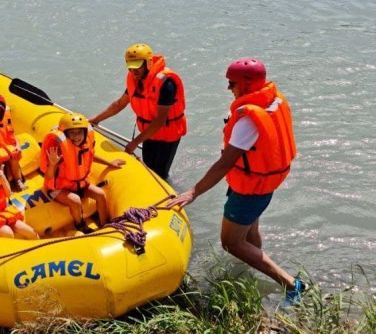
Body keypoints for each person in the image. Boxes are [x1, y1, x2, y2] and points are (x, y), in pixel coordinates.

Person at [164, 58, 306, 305]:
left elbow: (224, 164)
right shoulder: (272, 101)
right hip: (264, 183)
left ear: (248, 85)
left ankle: (292, 284)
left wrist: (193, 192)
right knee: (250, 233)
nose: (229, 88)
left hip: (249, 189)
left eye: (232, 83)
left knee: (231, 243)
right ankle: (248, 272)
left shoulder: (249, 119)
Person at [89, 43, 186, 181]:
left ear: (148, 63)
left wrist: (135, 142)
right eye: (130, 65)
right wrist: (96, 119)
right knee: (147, 167)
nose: (134, 70)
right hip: (148, 133)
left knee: (160, 173)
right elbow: (120, 103)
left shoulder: (166, 84)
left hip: (168, 134)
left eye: (138, 64)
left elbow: (159, 121)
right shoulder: (135, 80)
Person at [40, 112, 125, 233]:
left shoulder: (84, 145)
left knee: (100, 194)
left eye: (79, 132)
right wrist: (53, 164)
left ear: (85, 133)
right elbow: (49, 177)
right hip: (57, 188)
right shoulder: (58, 150)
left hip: (79, 184)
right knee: (75, 200)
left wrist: (109, 163)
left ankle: (104, 224)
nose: (76, 137)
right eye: (72, 133)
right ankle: (79, 224)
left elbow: (90, 156)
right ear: (65, 134)